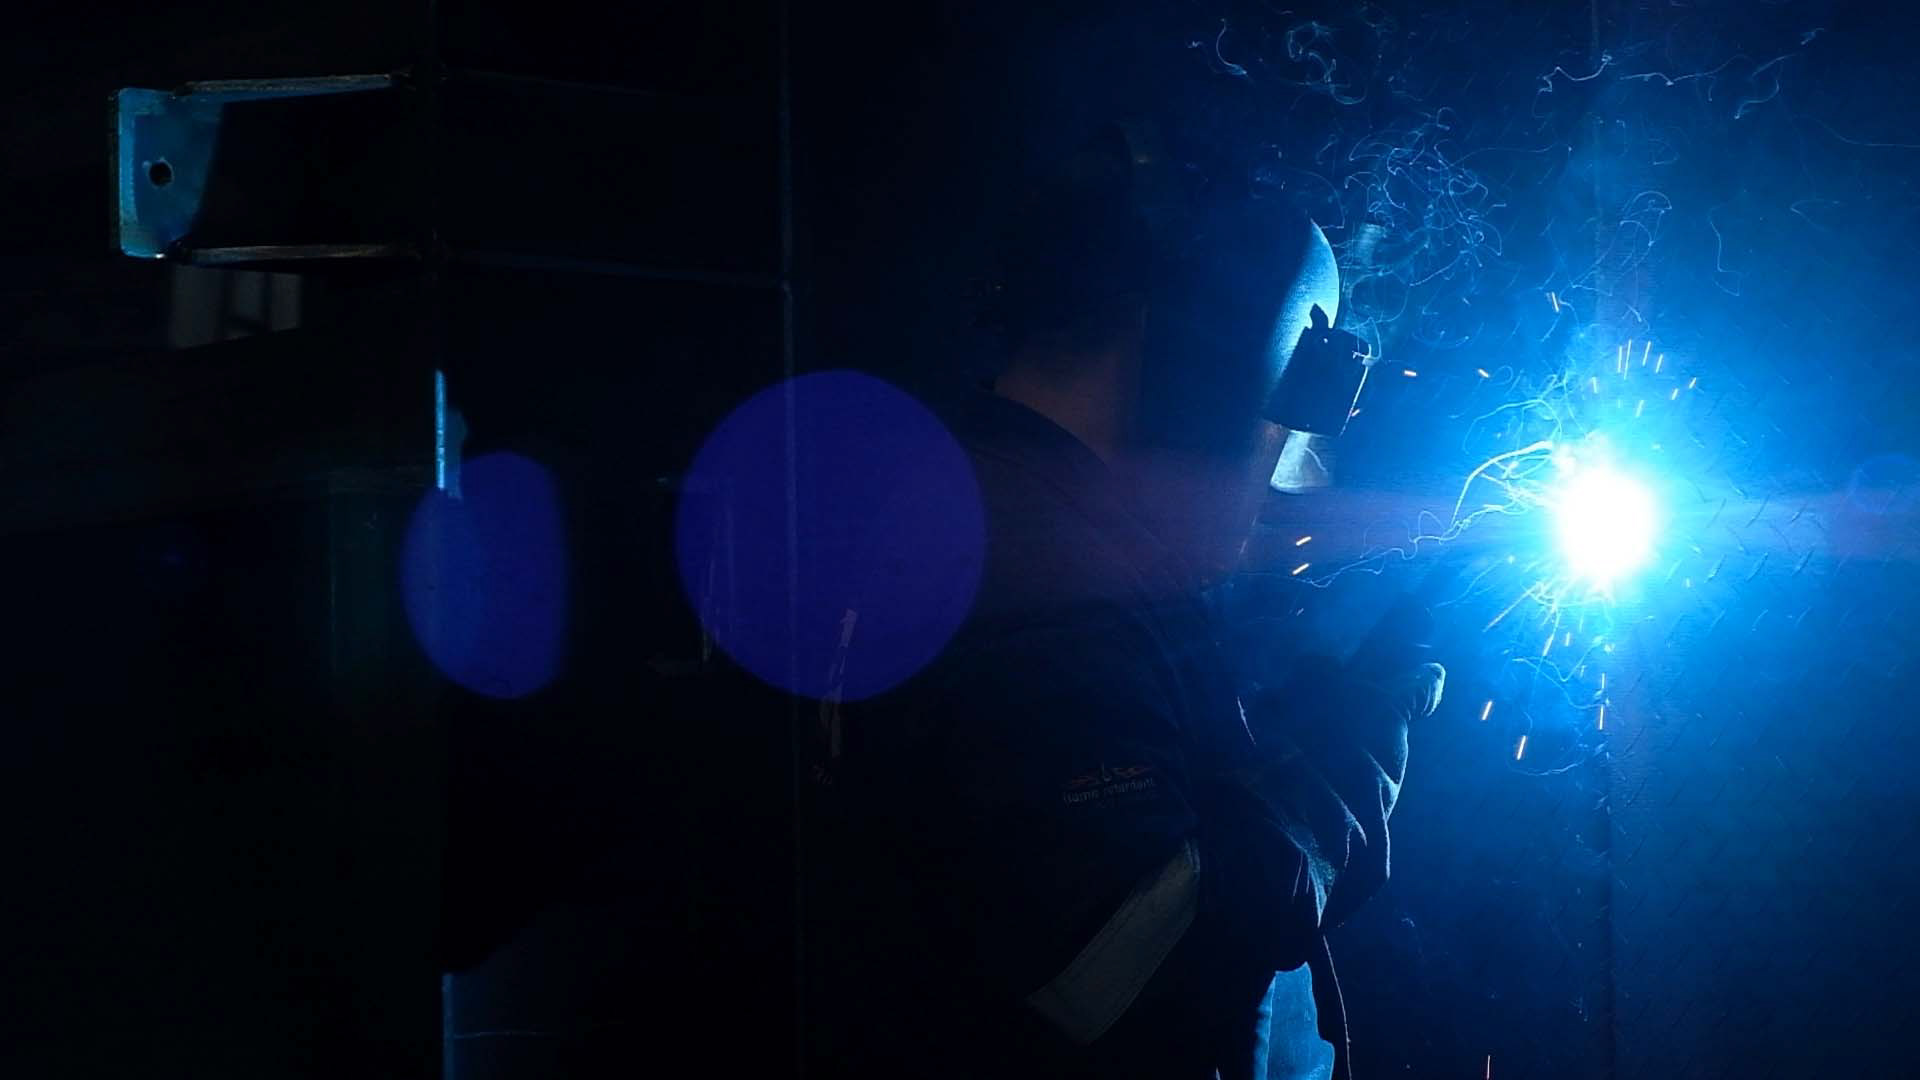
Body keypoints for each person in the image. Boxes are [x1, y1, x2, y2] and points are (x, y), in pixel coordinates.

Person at [804, 130, 1443, 1080]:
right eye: (1282, 410)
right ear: (1211, 363)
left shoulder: (1004, 517)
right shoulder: (1024, 568)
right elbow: (1136, 959)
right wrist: (1350, 749)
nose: (1283, 460)